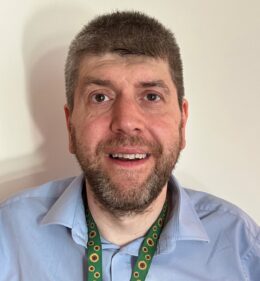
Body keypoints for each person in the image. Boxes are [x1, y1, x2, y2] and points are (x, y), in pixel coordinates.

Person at [0, 11, 259, 281]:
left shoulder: (243, 252)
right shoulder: (7, 239)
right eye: (100, 97)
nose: (126, 121)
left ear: (182, 124)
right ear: (70, 126)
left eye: (151, 96)